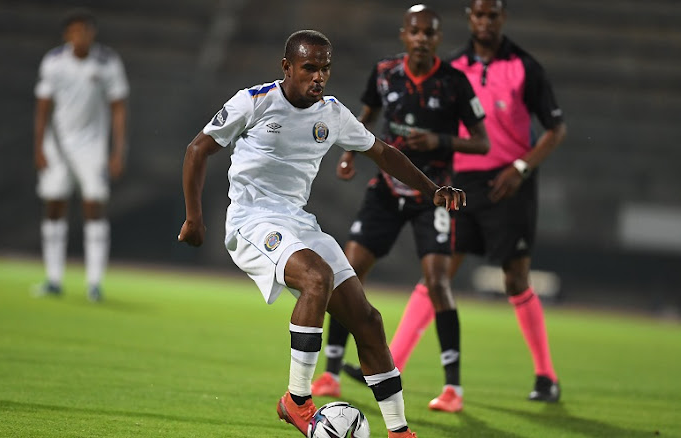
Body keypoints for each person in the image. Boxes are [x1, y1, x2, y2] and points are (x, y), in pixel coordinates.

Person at [178, 29, 465, 438]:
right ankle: (296, 402)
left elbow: (383, 153)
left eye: (324, 68)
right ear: (287, 67)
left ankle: (400, 431)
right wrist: (194, 219)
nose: (318, 77)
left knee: (367, 321)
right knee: (317, 278)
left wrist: (433, 189)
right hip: (252, 221)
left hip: (298, 222)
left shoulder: (331, 113)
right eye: (309, 68)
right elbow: (197, 150)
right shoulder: (255, 101)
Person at [349, 0, 567, 403]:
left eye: (493, 15)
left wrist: (521, 167)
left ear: (502, 18)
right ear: (469, 18)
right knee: (439, 275)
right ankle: (392, 362)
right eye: (478, 15)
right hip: (458, 184)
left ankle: (545, 376)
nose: (485, 22)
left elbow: (556, 128)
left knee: (515, 277)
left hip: (509, 182)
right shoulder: (450, 68)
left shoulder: (525, 67)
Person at [310, 4, 489, 414]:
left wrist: (440, 141)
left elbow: (481, 143)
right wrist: (350, 154)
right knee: (348, 273)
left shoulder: (454, 82)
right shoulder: (385, 72)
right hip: (387, 190)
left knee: (437, 282)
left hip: (435, 194)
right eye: (416, 31)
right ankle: (331, 372)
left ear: (438, 38)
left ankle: (453, 390)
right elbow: (366, 115)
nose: (422, 38)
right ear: (404, 35)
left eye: (430, 32)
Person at [32, 9, 129, 302]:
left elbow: (118, 108)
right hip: (57, 145)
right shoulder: (54, 62)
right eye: (74, 31)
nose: (80, 36)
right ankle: (53, 278)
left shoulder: (107, 62)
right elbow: (44, 106)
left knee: (94, 205)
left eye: (85, 31)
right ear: (66, 35)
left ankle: (95, 283)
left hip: (92, 146)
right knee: (54, 205)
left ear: (92, 33)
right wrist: (38, 146)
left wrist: (118, 150)